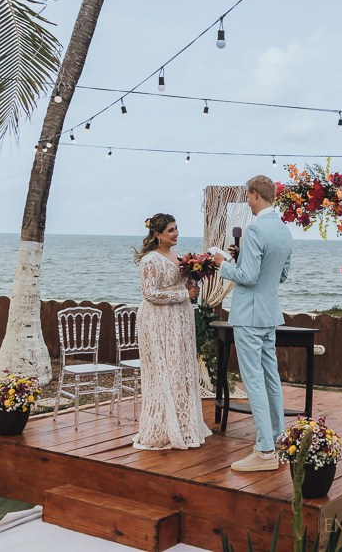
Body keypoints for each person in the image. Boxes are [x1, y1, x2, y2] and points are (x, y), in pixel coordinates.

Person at [213, 175, 293, 471]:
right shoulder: (284, 231)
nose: (247, 201)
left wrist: (223, 265)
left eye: (248, 195)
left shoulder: (256, 229)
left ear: (256, 194)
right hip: (269, 314)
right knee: (271, 377)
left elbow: (247, 277)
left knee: (253, 380)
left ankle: (264, 451)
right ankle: (279, 440)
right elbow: (280, 275)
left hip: (248, 315)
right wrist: (242, 256)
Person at [131, 213, 212, 450]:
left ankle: (184, 424)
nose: (176, 233)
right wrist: (184, 294)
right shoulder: (150, 260)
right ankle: (163, 426)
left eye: (176, 228)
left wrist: (194, 280)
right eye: (170, 230)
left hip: (180, 320)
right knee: (164, 370)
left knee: (180, 369)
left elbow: (181, 285)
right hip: (158, 321)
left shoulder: (178, 255)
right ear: (157, 234)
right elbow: (150, 293)